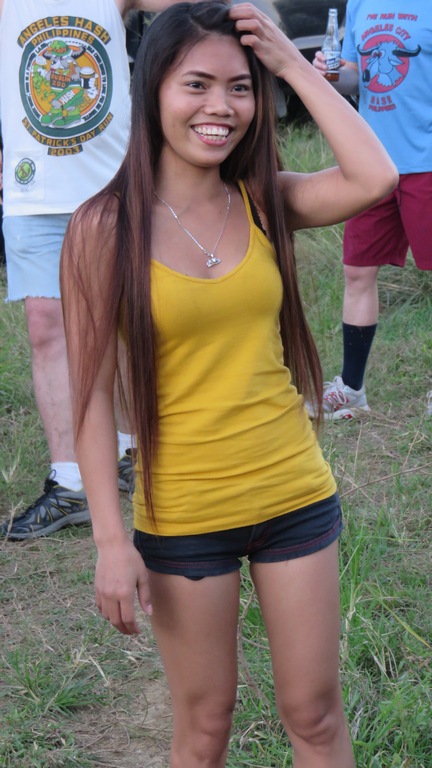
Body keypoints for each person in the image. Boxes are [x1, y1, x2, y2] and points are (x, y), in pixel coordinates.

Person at [61, 2, 397, 766]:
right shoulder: (103, 228)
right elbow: (90, 401)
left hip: (293, 494)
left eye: (239, 87)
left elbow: (374, 176)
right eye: (197, 85)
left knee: (315, 715)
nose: (220, 106)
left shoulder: (263, 198)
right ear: (152, 89)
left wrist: (288, 63)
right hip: (184, 515)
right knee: (205, 727)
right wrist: (110, 541)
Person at [0, 0, 192, 541]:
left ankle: (133, 453)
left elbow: (190, 10)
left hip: (114, 184)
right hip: (33, 190)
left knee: (129, 322)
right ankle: (71, 483)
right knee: (46, 328)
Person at [312, 0, 432, 420]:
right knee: (358, 272)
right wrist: (329, 74)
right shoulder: (362, 2)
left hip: (427, 162)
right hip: (372, 165)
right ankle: (352, 390)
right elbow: (353, 75)